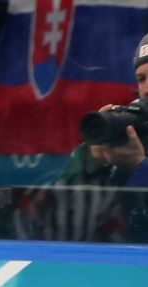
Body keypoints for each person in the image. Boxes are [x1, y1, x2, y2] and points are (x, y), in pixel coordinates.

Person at [15, 33, 148, 243]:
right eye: (141, 79)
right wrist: (92, 158)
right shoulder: (133, 134)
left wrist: (139, 166)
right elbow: (62, 204)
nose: (146, 89)